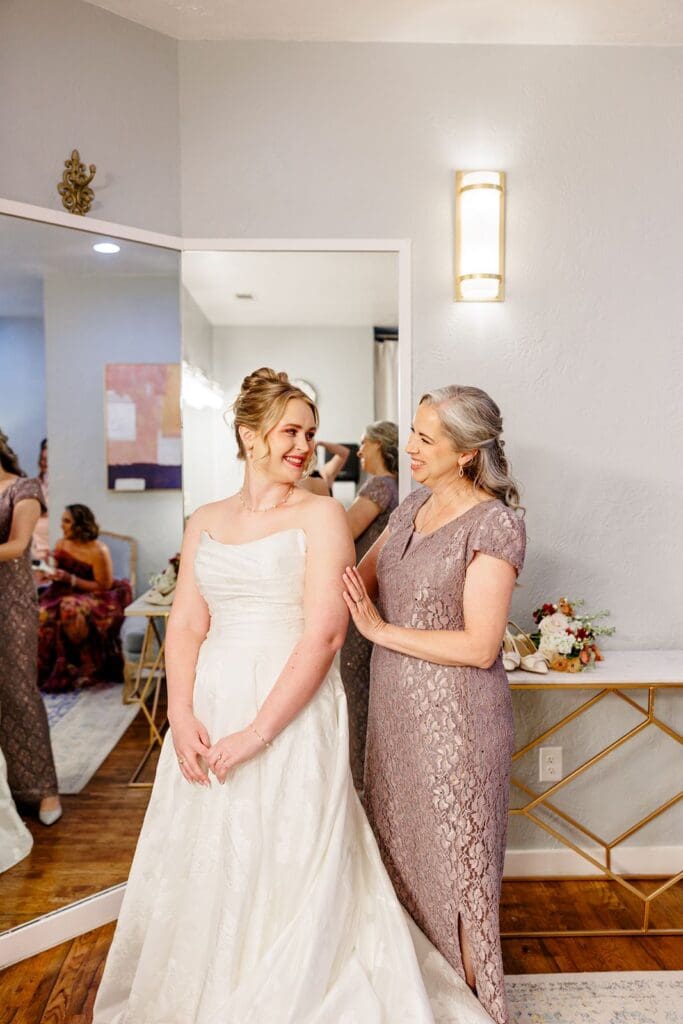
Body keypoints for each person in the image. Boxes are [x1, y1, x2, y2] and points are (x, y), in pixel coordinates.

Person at [93, 369, 491, 1024]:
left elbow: (325, 633)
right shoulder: (205, 520)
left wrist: (257, 733)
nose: (304, 446)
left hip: (291, 702)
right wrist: (180, 714)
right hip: (213, 698)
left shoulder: (320, 514)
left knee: (288, 844)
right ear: (250, 436)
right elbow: (187, 623)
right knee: (212, 847)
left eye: (310, 433)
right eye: (290, 432)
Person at [342, 385, 526, 1024]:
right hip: (393, 720)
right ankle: (415, 1004)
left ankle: (473, 1010)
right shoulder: (410, 506)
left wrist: (381, 632)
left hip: (458, 725)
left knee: (457, 876)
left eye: (426, 438)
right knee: (399, 865)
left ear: (467, 452)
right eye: (413, 433)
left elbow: (479, 646)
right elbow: (355, 583)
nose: (412, 448)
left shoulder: (494, 523)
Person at [0, 431, 61, 826]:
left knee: (18, 692)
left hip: (10, 605)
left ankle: (44, 790)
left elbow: (17, 545)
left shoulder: (23, 489)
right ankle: (6, 791)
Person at [339, 420, 399, 789]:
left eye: (365, 443)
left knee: (355, 681)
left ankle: (359, 778)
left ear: (381, 445)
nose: (359, 451)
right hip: (372, 596)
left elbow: (342, 532)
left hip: (364, 597)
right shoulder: (391, 487)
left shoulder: (381, 486)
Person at [38, 504, 132, 693]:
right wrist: (49, 571)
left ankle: (80, 670)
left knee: (69, 608)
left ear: (80, 525)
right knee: (40, 613)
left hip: (97, 595)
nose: (61, 525)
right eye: (62, 520)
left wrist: (71, 579)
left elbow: (104, 586)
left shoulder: (99, 550)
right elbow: (59, 573)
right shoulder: (62, 544)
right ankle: (42, 671)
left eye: (67, 521)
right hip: (62, 591)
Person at [31, 438, 49, 563]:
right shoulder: (33, 484)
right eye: (42, 459)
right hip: (32, 545)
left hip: (48, 546)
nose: (44, 464)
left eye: (48, 460)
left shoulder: (63, 488)